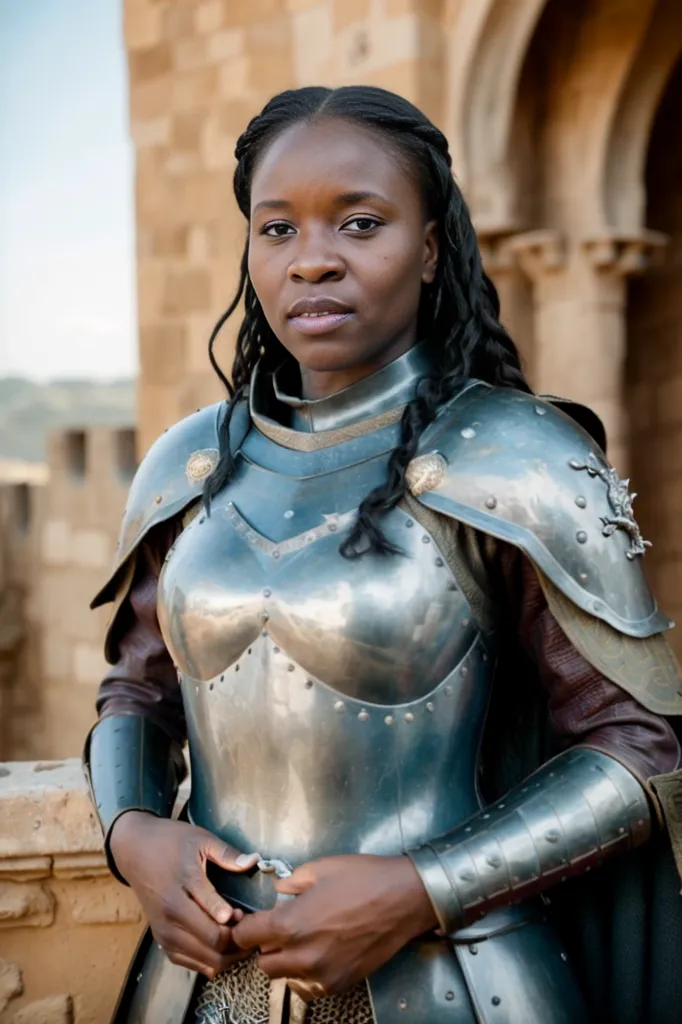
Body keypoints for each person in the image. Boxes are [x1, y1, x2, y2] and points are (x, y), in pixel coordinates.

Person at [84, 86, 682, 1024]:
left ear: (433, 247)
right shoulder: (190, 464)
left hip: (459, 982)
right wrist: (132, 834)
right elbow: (135, 692)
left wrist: (422, 887)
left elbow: (640, 750)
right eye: (275, 229)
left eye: (361, 224)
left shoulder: (517, 459)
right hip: (201, 987)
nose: (313, 260)